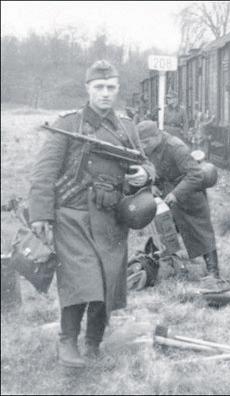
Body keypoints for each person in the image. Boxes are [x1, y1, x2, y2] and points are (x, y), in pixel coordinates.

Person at [28, 60, 156, 368]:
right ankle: (67, 341)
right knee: (82, 281)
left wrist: (144, 175)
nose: (105, 94)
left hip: (112, 220)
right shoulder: (68, 125)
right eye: (99, 87)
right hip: (73, 217)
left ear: (117, 90)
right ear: (88, 89)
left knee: (107, 282)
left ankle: (93, 342)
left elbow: (147, 163)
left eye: (111, 87)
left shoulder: (126, 127)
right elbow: (43, 173)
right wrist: (41, 215)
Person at [137, 120, 219, 279]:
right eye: (142, 143)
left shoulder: (176, 147)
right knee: (164, 227)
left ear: (157, 136)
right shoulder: (150, 148)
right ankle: (154, 262)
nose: (144, 146)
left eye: (146, 142)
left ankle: (213, 273)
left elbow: (196, 174)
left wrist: (176, 194)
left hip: (190, 192)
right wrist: (152, 184)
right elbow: (149, 168)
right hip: (168, 191)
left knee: (201, 231)